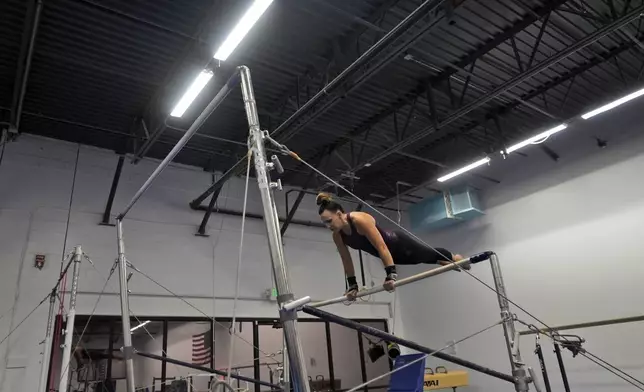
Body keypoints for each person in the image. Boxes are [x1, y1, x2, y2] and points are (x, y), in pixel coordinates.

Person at [316, 193, 466, 299]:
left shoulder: (359, 220)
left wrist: (390, 276)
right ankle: (441, 261)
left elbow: (381, 246)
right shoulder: (337, 236)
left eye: (329, 221)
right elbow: (346, 261)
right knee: (418, 260)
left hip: (399, 244)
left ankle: (454, 257)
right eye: (324, 223)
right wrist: (352, 286)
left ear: (339, 214)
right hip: (389, 255)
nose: (327, 226)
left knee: (426, 254)